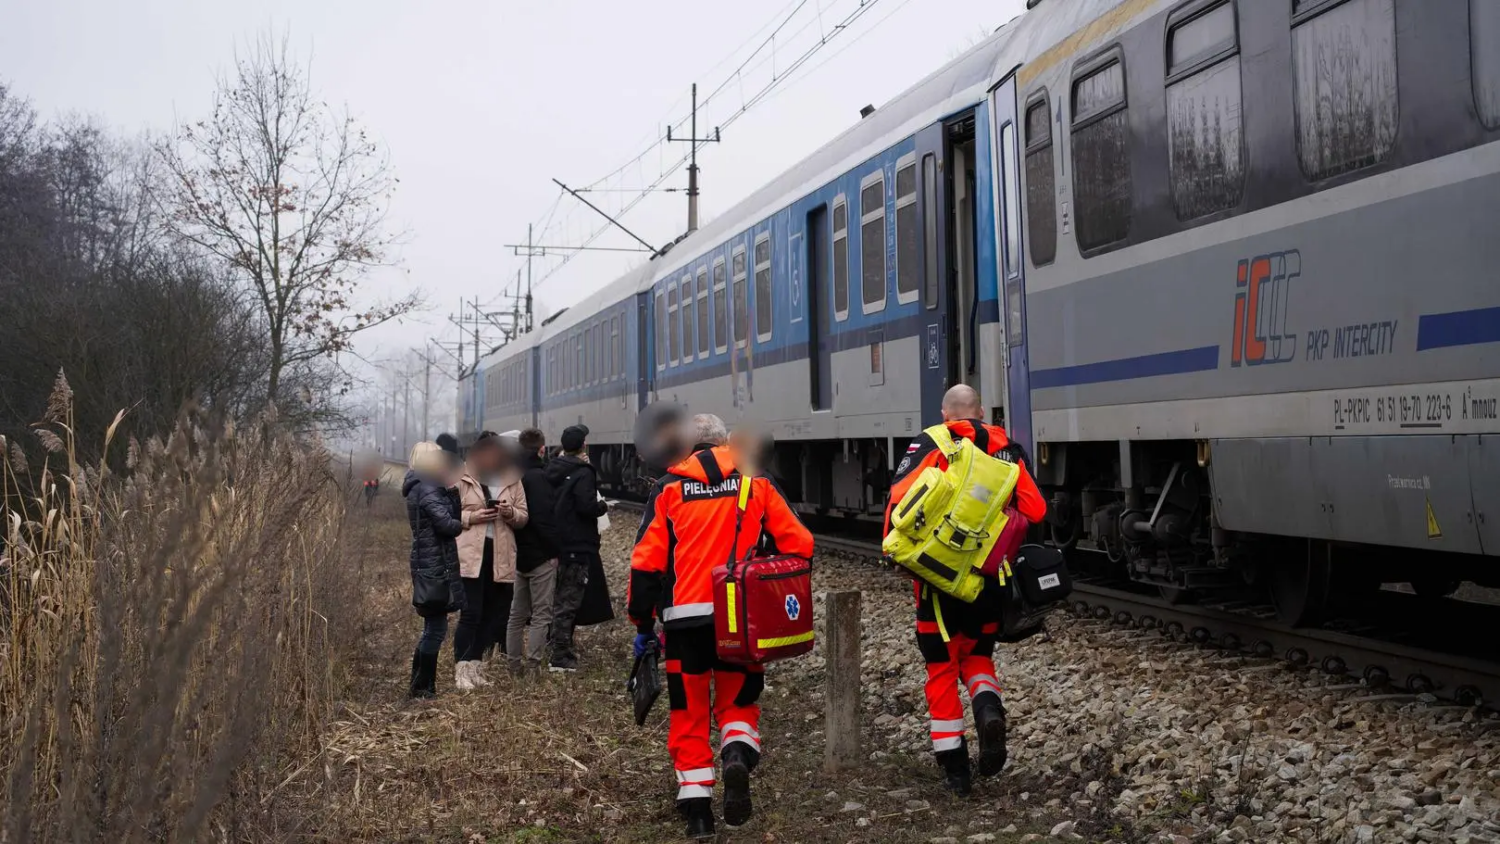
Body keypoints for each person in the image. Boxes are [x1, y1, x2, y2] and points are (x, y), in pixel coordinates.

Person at [629, 414, 815, 839]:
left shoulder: (669, 490)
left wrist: (642, 623)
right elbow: (801, 546)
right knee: (737, 703)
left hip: (684, 626)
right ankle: (735, 754)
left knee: (688, 712)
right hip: (742, 622)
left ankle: (698, 814)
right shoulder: (757, 482)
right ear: (725, 442)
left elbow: (646, 564)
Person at [884, 384, 1048, 796]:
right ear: (980, 411)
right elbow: (1036, 510)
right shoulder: (1007, 448)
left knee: (941, 669)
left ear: (946, 414)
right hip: (992, 578)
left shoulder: (932, 443)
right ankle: (989, 710)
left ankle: (955, 771)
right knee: (977, 657)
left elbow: (899, 504)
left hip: (937, 581)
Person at [452, 431, 529, 689]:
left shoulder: (512, 478)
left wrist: (509, 512)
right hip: (471, 554)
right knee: (471, 612)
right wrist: (472, 517)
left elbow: (523, 516)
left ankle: (476, 667)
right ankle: (461, 670)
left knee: (491, 614)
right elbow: (449, 515)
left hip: (501, 553)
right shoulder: (462, 476)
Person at [403, 441, 467, 699]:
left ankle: (420, 684)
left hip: (427, 561)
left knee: (432, 627)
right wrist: (452, 493)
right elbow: (449, 524)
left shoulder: (419, 485)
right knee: (436, 629)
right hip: (434, 564)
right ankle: (422, 687)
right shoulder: (428, 488)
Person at [544, 424, 610, 673]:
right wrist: (601, 507)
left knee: (556, 597)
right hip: (577, 543)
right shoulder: (583, 472)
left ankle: (553, 645)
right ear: (583, 446)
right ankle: (560, 654)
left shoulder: (550, 469)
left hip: (555, 543)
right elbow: (586, 506)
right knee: (569, 600)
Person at [507, 428, 561, 676]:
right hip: (539, 555)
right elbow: (543, 519)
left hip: (518, 554)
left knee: (516, 615)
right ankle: (532, 667)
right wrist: (553, 551)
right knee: (541, 614)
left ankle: (513, 664)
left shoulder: (512, 474)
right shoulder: (538, 477)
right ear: (541, 449)